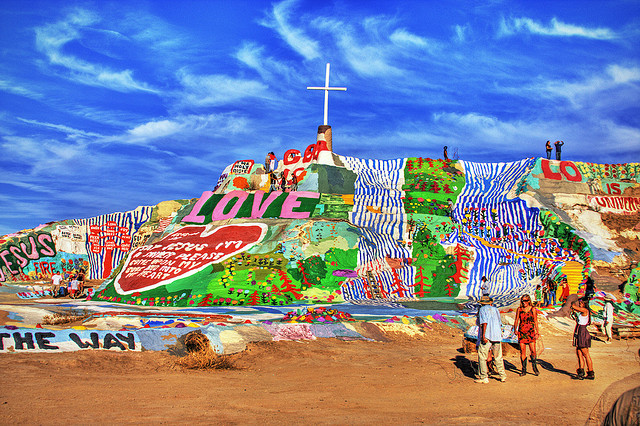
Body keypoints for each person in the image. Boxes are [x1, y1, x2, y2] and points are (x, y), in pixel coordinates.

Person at [475, 295, 507, 383]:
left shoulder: (482, 310)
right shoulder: (495, 309)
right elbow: (500, 322)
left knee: (482, 356)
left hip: (488, 335)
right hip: (496, 335)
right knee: (498, 357)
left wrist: (483, 335)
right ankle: (502, 375)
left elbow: (484, 323)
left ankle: (483, 377)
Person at [513, 294, 540, 376]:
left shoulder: (533, 309)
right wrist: (515, 329)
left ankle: (534, 366)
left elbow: (535, 321)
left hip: (531, 331)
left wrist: (537, 332)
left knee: (533, 350)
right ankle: (523, 369)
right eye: (522, 301)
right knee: (522, 350)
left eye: (525, 301)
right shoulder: (519, 309)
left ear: (529, 301)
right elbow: (516, 320)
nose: (524, 302)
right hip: (522, 331)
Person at [571, 297, 594, 380]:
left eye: (581, 303)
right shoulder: (582, 312)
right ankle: (581, 371)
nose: (579, 304)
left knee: (585, 353)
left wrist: (571, 303)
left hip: (582, 332)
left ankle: (590, 371)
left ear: (584, 303)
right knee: (579, 353)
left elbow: (574, 307)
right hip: (579, 331)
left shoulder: (585, 311)